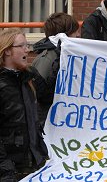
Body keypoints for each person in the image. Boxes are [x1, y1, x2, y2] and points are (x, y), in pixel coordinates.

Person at [0, 28, 48, 181]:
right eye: (22, 46)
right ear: (7, 51)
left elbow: (50, 96)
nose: (27, 49)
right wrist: (6, 170)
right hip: (10, 169)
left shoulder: (29, 77)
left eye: (27, 45)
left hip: (33, 164)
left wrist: (61, 54)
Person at [32, 12, 80, 125]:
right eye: (75, 31)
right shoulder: (47, 58)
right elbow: (38, 94)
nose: (78, 35)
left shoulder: (62, 55)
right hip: (47, 120)